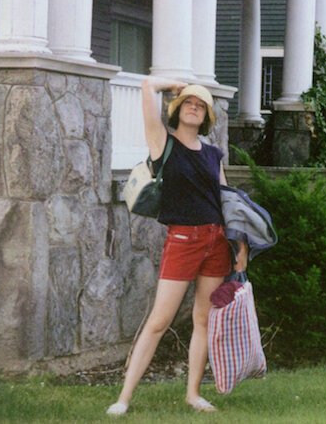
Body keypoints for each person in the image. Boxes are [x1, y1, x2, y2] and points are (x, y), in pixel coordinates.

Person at [107, 77, 248, 416]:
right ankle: (123, 399)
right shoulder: (164, 145)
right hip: (183, 241)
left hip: (216, 242)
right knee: (159, 320)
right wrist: (172, 86)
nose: (194, 107)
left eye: (200, 105)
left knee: (203, 319)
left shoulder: (214, 155)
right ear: (178, 110)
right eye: (188, 103)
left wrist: (239, 245)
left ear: (207, 117)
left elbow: (227, 201)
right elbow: (146, 88)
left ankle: (194, 394)